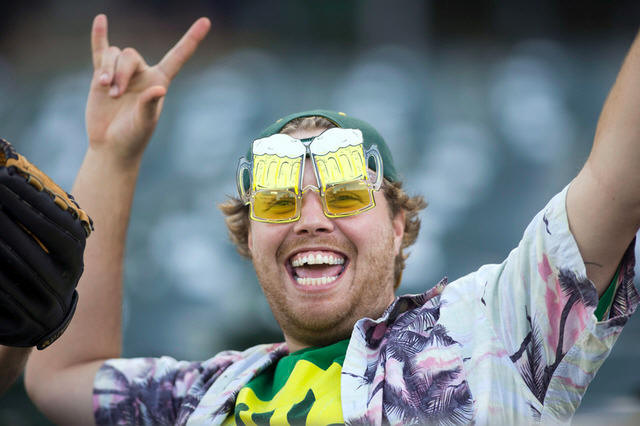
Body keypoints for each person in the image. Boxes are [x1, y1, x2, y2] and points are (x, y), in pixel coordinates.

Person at [22, 13, 639, 425]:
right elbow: (60, 377)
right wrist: (112, 155)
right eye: (279, 199)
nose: (311, 219)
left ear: (397, 227)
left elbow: (618, 181)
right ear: (248, 239)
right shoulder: (203, 397)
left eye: (344, 193)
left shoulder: (490, 334)